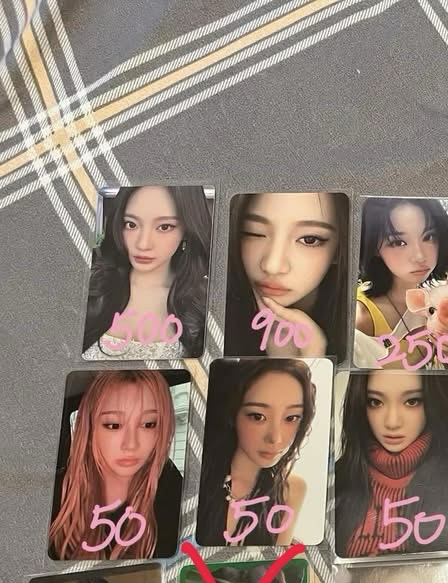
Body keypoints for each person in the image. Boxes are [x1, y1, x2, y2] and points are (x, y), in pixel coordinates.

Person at [48, 370, 182, 560]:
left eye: (149, 424)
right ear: (89, 428)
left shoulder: (172, 493)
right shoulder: (53, 498)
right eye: (113, 425)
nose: (131, 444)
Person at [335, 371, 448, 557]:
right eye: (375, 402)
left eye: (412, 402)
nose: (392, 422)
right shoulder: (336, 482)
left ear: (434, 401)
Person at [83, 185, 211, 359]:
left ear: (187, 230)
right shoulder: (90, 287)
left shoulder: (203, 304)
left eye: (164, 227)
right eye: (131, 225)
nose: (143, 244)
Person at [197, 359, 316, 546]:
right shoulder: (199, 477)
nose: (275, 438)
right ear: (233, 413)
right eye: (258, 416)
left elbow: (275, 561)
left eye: (291, 418)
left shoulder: (291, 489)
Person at [353, 197, 448, 368]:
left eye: (429, 237)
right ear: (374, 247)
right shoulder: (361, 317)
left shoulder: (438, 294)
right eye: (398, 242)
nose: (420, 256)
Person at [224, 191, 349, 360]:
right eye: (254, 232)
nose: (272, 266)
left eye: (309, 239)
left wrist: (315, 361)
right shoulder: (208, 328)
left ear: (339, 249)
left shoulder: (364, 352)